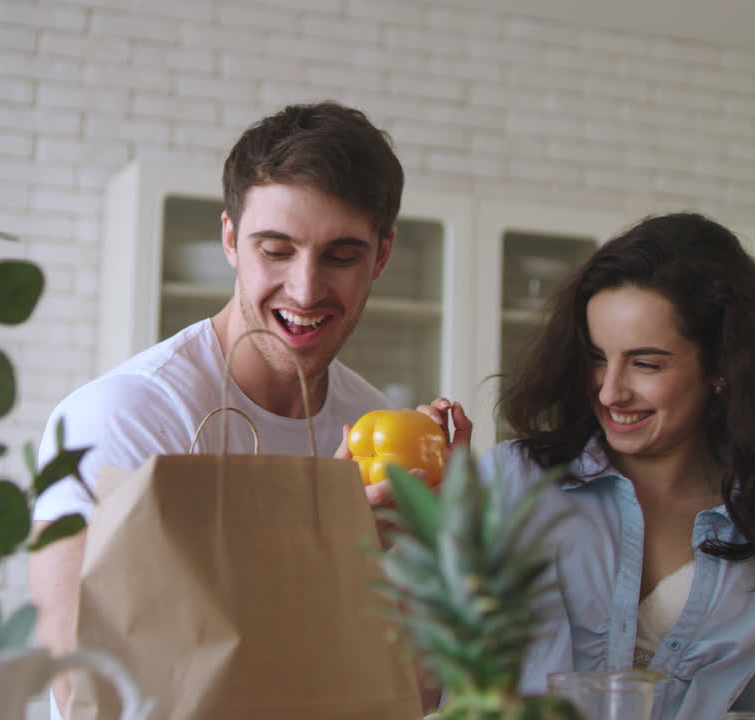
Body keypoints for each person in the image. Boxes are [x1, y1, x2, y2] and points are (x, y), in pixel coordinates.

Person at [28, 101, 468, 719]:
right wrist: (326, 555)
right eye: (276, 250)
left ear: (383, 255)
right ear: (231, 240)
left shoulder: (370, 423)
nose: (306, 289)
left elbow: (411, 697)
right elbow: (85, 691)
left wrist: (446, 546)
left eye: (341, 256)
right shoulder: (122, 419)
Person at [481, 212, 755, 718]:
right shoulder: (512, 484)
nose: (610, 390)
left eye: (646, 363)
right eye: (598, 357)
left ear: (719, 366)